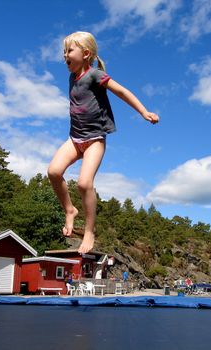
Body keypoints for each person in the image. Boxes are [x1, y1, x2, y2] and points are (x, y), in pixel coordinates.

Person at [48, 31, 159, 254]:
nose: (65, 55)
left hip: (94, 140)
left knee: (83, 183)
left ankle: (89, 231)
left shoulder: (95, 75)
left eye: (69, 50)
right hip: (75, 138)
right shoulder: (72, 77)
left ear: (86, 53)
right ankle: (70, 210)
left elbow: (122, 91)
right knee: (53, 171)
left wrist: (144, 112)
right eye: (64, 52)